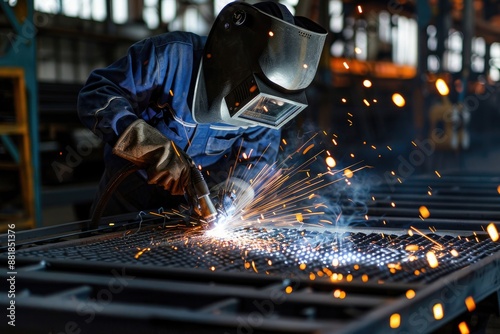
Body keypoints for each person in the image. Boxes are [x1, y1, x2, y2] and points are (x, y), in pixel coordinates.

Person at [77, 1, 327, 219]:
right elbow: (97, 95)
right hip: (126, 203)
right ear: (234, 60)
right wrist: (149, 148)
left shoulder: (267, 100)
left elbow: (258, 156)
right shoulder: (168, 58)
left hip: (191, 215)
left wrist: (235, 191)